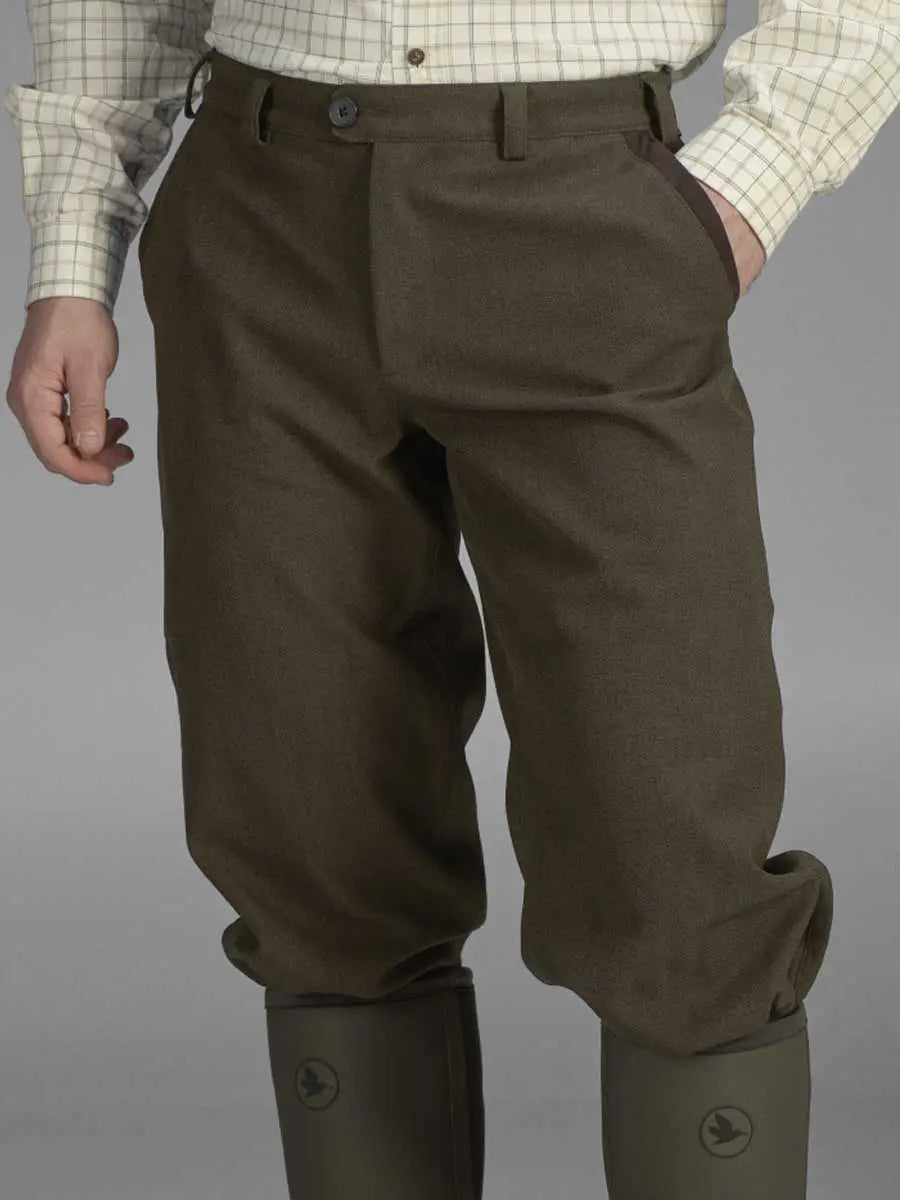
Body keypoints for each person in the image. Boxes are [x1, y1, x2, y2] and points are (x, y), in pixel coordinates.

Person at [5, 2, 896, 1197]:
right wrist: (72, 260)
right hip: (263, 217)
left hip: (582, 209)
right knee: (311, 822)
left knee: (668, 836)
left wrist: (740, 192)